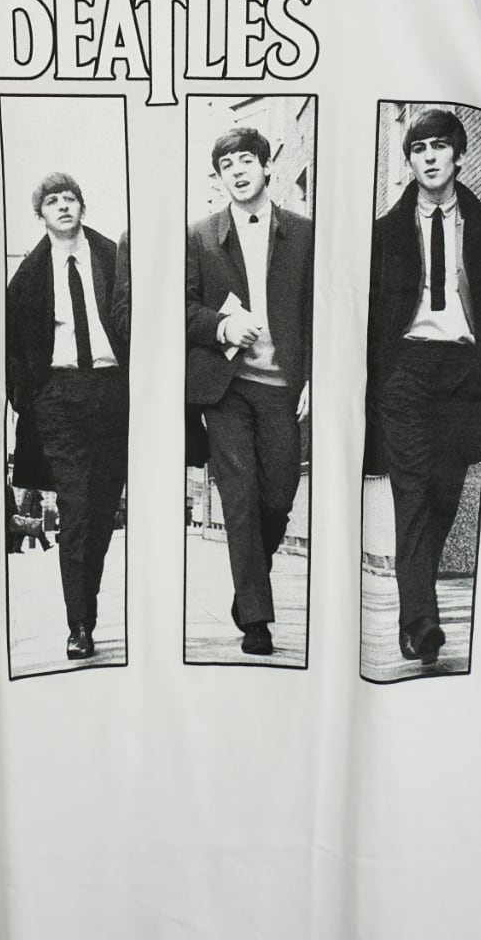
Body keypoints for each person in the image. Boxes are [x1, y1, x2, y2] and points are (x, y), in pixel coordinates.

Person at [363, 109, 481, 666]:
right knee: (412, 494)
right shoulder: (384, 234)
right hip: (408, 368)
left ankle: (418, 612)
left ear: (459, 156)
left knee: (444, 495)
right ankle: (420, 622)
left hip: (465, 372)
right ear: (410, 163)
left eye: (439, 146)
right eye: (418, 149)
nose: (429, 157)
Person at [186, 126, 312, 657]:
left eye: (245, 160)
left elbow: (321, 310)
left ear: (266, 166)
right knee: (239, 499)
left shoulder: (304, 233)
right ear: (219, 178)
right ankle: (257, 621)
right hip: (228, 388)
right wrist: (221, 325)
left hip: (284, 387)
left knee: (278, 495)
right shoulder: (199, 236)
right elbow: (181, 307)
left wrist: (316, 377)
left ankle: (248, 592)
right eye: (226, 165)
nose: (236, 171)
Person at [6, 173, 129, 660]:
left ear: (82, 206)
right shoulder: (28, 275)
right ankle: (78, 624)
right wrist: (29, 398)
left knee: (101, 511)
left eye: (70, 198)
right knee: (76, 509)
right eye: (52, 201)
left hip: (112, 392)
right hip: (58, 396)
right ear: (40, 214)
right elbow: (13, 345)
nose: (62, 206)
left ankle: (86, 608)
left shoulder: (114, 258)